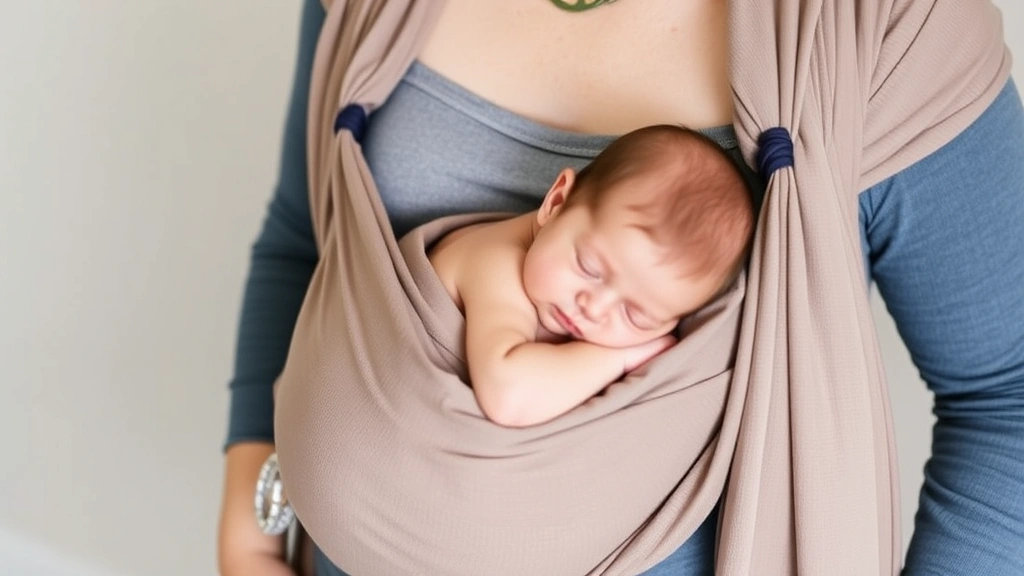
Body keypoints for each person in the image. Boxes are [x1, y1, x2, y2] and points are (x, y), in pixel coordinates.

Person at [218, 1, 1024, 575]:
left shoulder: (883, 24)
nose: (599, 310)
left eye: (634, 308)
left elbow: (1008, 398)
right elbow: (306, 237)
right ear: (558, 198)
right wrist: (252, 519)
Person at [428, 125, 753, 427]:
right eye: (589, 268)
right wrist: (617, 358)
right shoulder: (494, 263)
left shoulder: (558, 279)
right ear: (556, 202)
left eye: (635, 316)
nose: (593, 308)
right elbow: (509, 398)